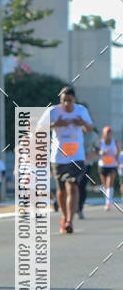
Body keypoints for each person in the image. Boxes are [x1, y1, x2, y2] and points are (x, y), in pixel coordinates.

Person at [44, 86, 93, 234]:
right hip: (58, 157)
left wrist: (82, 123)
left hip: (76, 156)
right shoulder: (53, 111)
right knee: (61, 191)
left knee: (72, 185)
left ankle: (70, 221)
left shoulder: (81, 111)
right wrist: (55, 125)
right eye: (63, 100)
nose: (66, 104)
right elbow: (39, 128)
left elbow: (90, 128)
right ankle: (64, 217)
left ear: (74, 100)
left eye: (69, 101)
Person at [98, 125, 120, 211]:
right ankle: (108, 198)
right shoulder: (101, 142)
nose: (109, 134)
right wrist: (101, 152)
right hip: (103, 166)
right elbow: (96, 151)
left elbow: (118, 152)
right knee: (105, 185)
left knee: (109, 183)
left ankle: (108, 203)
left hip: (112, 165)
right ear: (104, 134)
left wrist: (117, 160)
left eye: (110, 133)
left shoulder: (115, 142)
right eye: (107, 133)